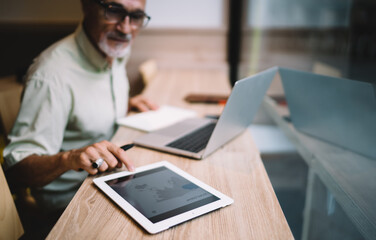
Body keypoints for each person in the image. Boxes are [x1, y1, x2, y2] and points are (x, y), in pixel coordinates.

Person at [3, 0, 156, 237]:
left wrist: (124, 104)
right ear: (87, 6)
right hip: (67, 209)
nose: (126, 28)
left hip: (111, 183)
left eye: (136, 16)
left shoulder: (113, 48)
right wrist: (70, 157)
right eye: (114, 11)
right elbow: (16, 170)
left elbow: (84, 102)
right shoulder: (51, 75)